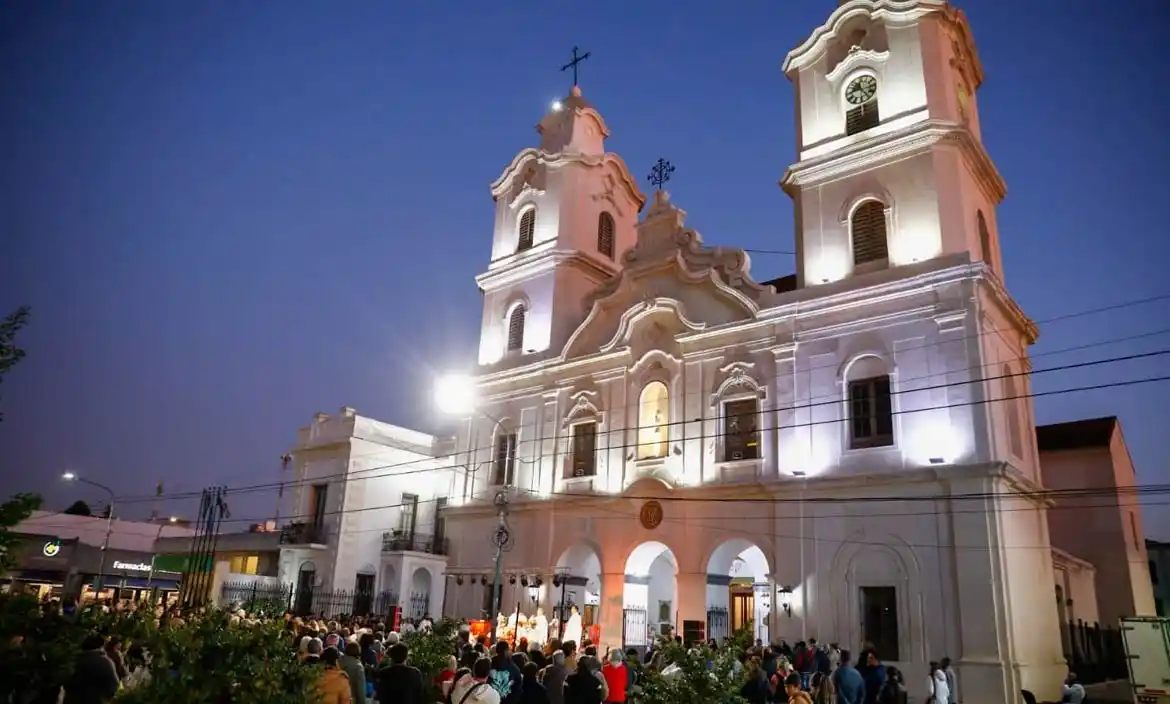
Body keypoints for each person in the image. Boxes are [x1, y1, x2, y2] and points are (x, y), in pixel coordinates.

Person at [62, 634, 120, 704]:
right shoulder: (105, 662)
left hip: (72, 700)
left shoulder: (74, 659)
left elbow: (65, 679)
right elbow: (113, 683)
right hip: (96, 700)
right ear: (101, 645)